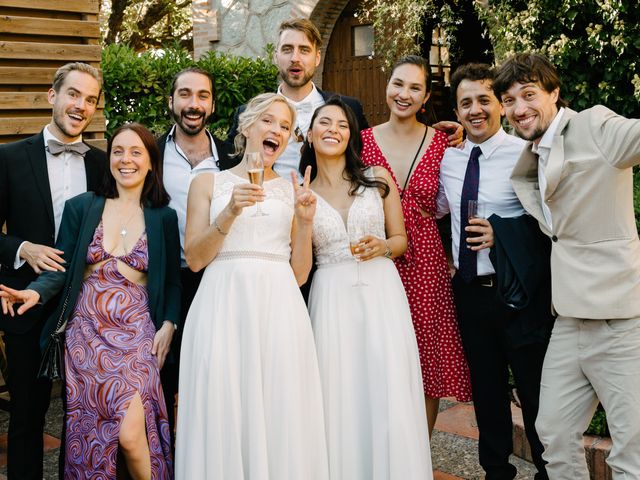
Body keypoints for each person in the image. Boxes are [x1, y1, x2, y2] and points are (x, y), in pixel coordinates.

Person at [0, 123, 180, 479]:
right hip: (86, 339)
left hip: (136, 336)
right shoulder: (83, 207)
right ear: (109, 158)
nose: (125, 160)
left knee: (131, 434)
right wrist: (34, 292)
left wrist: (170, 324)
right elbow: (62, 269)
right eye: (117, 151)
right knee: (92, 433)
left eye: (135, 152)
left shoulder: (164, 216)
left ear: (150, 162)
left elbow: (172, 283)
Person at [493, 52, 640, 480]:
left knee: (631, 453)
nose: (519, 108)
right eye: (509, 99)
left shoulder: (595, 126)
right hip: (568, 320)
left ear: (554, 93)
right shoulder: (530, 156)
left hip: (620, 319)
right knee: (553, 436)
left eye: (529, 94)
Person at [175, 92, 328, 479]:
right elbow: (194, 259)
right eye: (268, 121)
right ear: (246, 127)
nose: (276, 130)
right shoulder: (207, 183)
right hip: (221, 305)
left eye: (285, 126)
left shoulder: (292, 190)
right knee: (223, 402)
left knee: (278, 403)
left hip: (279, 306)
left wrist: (306, 221)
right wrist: (229, 211)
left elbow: (299, 274)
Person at [300, 97, 432, 479]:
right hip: (331, 296)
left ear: (352, 135)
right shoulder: (300, 190)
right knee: (338, 390)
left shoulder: (377, 177)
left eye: (342, 125)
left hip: (381, 291)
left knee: (385, 383)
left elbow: (400, 239)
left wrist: (383, 247)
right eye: (324, 123)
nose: (333, 130)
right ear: (309, 134)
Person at [437, 63, 553, 480]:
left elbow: (548, 221)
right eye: (465, 103)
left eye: (484, 100)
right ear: (456, 109)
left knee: (534, 391)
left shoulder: (526, 151)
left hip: (519, 292)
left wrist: (499, 234)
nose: (475, 110)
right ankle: (496, 471)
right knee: (486, 393)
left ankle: (548, 471)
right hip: (470, 291)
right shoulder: (448, 160)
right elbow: (433, 211)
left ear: (500, 106)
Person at [0, 62, 106, 480]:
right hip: (26, 304)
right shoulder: (8, 158)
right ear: (52, 96)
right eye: (73, 94)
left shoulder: (103, 164)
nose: (81, 105)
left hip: (88, 306)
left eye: (90, 99)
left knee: (86, 415)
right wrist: (23, 248)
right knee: (28, 415)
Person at [360, 54, 472, 435]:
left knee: (427, 360)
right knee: (377, 355)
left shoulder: (444, 143)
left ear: (425, 98)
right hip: (374, 257)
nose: (403, 94)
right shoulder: (359, 142)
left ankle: (418, 457)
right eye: (398, 84)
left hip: (424, 261)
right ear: (387, 86)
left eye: (414, 88)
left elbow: (458, 200)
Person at [156, 66, 235, 446]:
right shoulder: (150, 154)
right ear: (171, 101)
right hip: (164, 280)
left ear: (213, 104)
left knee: (212, 373)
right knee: (163, 373)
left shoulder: (231, 157)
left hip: (216, 277)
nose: (193, 104)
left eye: (202, 96)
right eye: (185, 94)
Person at [226, 18, 369, 179]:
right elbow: (231, 165)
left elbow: (365, 162)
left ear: (317, 57)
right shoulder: (247, 113)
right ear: (275, 56)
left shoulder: (350, 109)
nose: (295, 58)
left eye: (304, 50)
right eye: (287, 49)